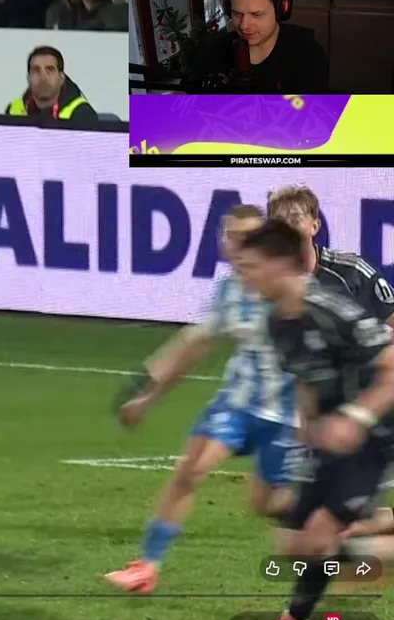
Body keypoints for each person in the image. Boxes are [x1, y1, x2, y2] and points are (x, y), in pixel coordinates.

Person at [105, 205, 302, 594]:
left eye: (248, 237)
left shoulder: (293, 290)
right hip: (236, 403)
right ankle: (147, 566)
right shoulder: (228, 290)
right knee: (190, 471)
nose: (239, 245)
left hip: (285, 414)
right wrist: (148, 398)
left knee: (266, 504)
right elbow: (195, 346)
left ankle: (352, 522)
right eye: (232, 236)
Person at [233, 220, 394, 620]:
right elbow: (306, 379)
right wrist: (307, 432)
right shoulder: (276, 322)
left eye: (251, 267)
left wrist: (355, 419)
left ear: (282, 264)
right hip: (328, 433)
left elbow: (392, 367)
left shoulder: (331, 310)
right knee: (294, 543)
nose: (243, 277)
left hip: (375, 429)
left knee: (319, 536)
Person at [267, 184, 394, 327]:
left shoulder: (353, 270)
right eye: (279, 223)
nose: (286, 229)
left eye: (295, 220)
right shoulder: (263, 279)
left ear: (315, 226)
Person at [190, 0, 328, 94]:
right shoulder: (215, 50)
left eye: (256, 15)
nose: (244, 26)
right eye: (237, 14)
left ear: (280, 10)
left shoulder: (308, 54)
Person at [4, 46, 98, 123]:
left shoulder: (83, 113)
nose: (43, 77)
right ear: (28, 78)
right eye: (36, 70)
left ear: (61, 78)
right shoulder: (13, 110)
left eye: (50, 69)